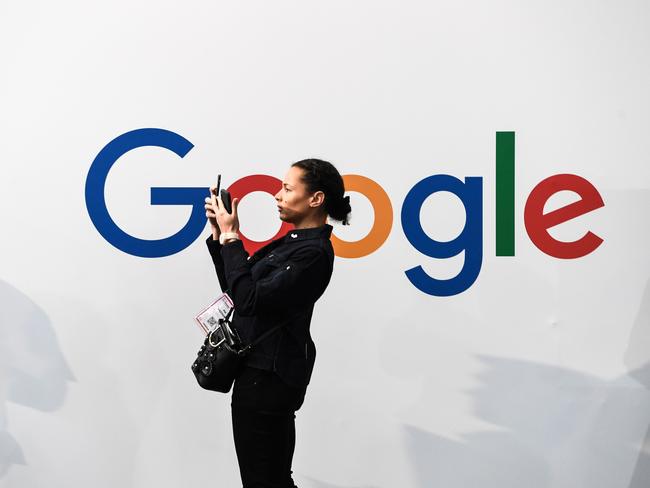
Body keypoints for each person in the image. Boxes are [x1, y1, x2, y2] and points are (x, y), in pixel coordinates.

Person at [204, 158, 352, 487]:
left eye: (287, 188)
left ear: (316, 199)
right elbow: (237, 291)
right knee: (269, 480)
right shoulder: (293, 243)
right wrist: (221, 237)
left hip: (269, 378)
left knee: (265, 481)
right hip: (259, 374)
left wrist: (232, 238)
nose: (277, 195)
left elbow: (249, 300)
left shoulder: (312, 253)